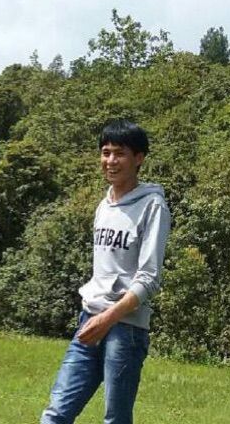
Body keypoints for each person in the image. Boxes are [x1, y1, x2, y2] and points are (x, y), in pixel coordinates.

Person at [40, 119, 171, 424]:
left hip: (126, 329)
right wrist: (96, 318)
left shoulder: (153, 206)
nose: (111, 161)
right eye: (106, 152)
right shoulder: (104, 205)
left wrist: (108, 318)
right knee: (56, 413)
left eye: (120, 153)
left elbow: (149, 278)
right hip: (90, 319)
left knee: (116, 419)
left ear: (139, 158)